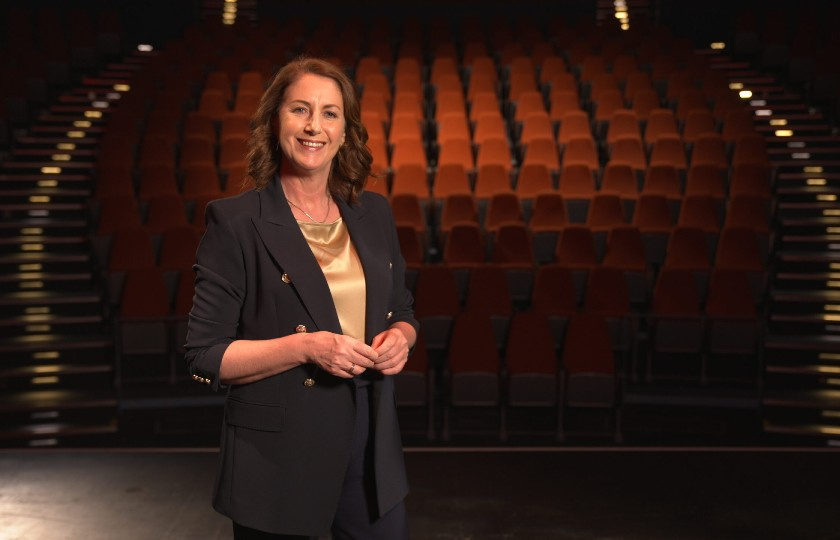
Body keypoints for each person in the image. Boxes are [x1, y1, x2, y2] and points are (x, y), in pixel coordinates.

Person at [184, 56, 418, 539]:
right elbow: (205, 354)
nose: (315, 126)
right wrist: (308, 347)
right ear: (275, 120)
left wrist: (402, 337)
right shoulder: (235, 223)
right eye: (300, 110)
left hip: (371, 446)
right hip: (279, 459)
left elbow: (404, 309)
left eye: (330, 113)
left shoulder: (373, 212)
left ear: (346, 130)